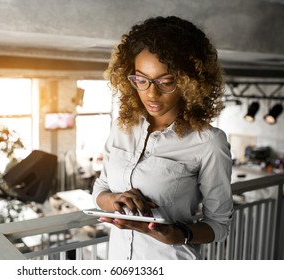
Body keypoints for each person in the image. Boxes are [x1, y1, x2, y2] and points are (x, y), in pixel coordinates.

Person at [92, 16, 234, 260]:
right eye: (141, 80)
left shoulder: (209, 142)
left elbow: (218, 226)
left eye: (166, 82)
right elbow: (100, 189)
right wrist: (115, 200)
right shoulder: (123, 127)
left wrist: (179, 234)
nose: (151, 93)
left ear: (190, 83)